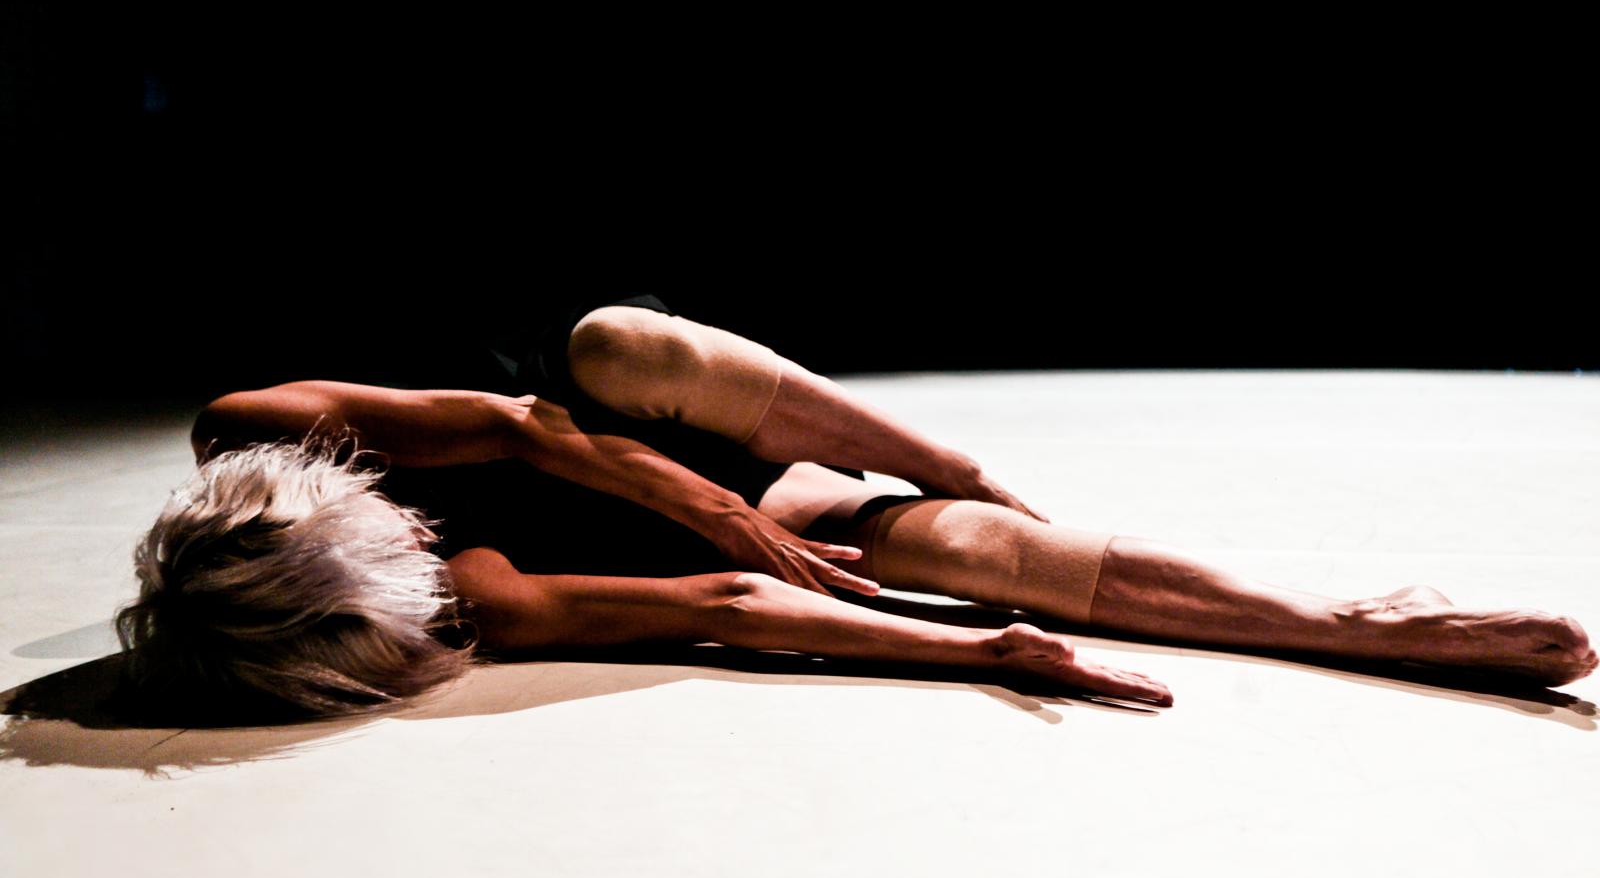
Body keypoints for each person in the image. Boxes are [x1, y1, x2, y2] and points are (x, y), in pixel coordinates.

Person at [117, 292, 1598, 718]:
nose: (427, 584)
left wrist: (723, 508)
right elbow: (724, 606)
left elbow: (528, 433)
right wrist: (984, 649)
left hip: (595, 423)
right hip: (650, 514)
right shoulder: (469, 599)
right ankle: (1348, 623)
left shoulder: (252, 427)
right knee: (971, 560)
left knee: (625, 342)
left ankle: (956, 463)